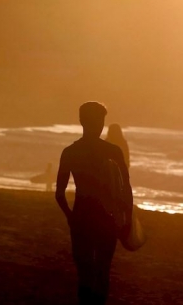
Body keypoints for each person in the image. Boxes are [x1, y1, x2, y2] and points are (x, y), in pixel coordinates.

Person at [56, 102, 132, 305]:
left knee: (85, 271)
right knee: (102, 270)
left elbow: (59, 194)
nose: (99, 125)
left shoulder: (70, 152)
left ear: (81, 121)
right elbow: (127, 189)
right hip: (106, 217)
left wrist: (70, 216)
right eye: (99, 121)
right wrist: (128, 219)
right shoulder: (113, 151)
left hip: (81, 215)